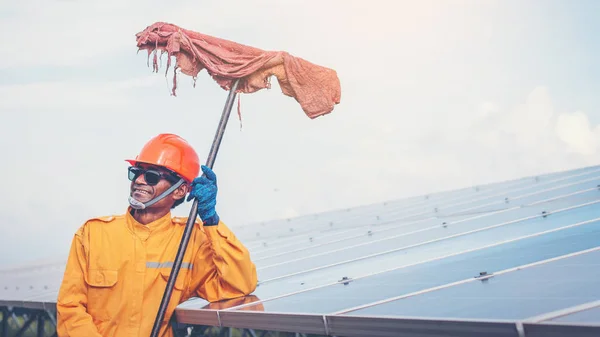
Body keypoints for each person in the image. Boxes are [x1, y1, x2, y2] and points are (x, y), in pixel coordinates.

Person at [55, 133, 258, 337]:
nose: (140, 181)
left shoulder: (190, 240)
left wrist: (211, 221)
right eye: (136, 173)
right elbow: (70, 308)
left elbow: (239, 285)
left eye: (152, 176)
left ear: (180, 191)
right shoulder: (93, 234)